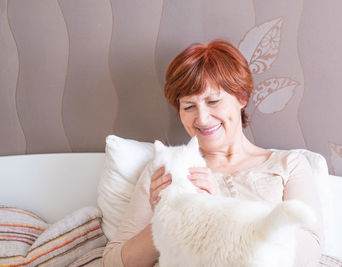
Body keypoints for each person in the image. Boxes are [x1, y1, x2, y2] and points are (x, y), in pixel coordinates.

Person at [103, 40, 324, 267]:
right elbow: (112, 262)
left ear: (241, 97)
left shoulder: (288, 164)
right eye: (189, 106)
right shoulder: (166, 169)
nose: (202, 118)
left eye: (213, 101)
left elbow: (308, 253)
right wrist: (166, 219)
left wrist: (217, 208)